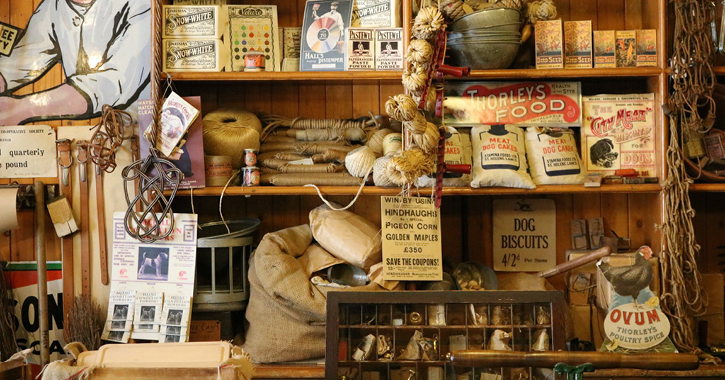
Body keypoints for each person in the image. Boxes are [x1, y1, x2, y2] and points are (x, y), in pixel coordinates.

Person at [0, 0, 150, 125]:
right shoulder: (54, 5)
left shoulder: (141, 3)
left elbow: (113, 81)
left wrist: (21, 107)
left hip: (143, 132)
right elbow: (23, 59)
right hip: (96, 136)